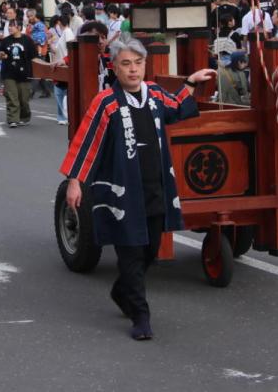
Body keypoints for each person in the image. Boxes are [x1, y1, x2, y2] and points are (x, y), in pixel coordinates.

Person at [61, 36, 214, 340]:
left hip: (156, 187)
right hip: (123, 191)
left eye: (138, 63)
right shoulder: (106, 102)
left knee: (150, 249)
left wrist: (191, 83)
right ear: (114, 68)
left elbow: (175, 108)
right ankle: (140, 315)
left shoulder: (155, 93)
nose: (133, 70)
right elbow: (86, 140)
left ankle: (122, 290)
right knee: (130, 250)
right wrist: (74, 181)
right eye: (126, 64)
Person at [0, 20, 36, 127]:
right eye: (9, 26)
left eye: (12, 26)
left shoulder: (27, 40)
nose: (10, 28)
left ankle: (24, 117)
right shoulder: (5, 41)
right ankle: (13, 119)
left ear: (19, 27)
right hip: (8, 72)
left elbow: (34, 56)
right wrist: (2, 55)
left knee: (24, 99)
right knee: (12, 97)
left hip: (24, 73)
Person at [46, 14, 74, 126]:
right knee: (60, 92)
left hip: (65, 66)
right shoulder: (65, 33)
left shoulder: (67, 33)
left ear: (59, 23)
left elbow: (70, 51)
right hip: (61, 65)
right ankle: (62, 116)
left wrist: (64, 60)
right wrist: (50, 43)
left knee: (61, 92)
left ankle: (64, 116)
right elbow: (56, 50)